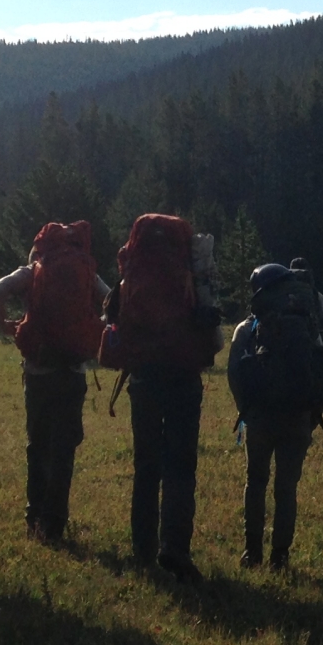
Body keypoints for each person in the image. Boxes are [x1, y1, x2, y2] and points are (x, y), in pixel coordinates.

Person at [101, 214, 222, 580]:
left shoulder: (131, 274)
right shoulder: (189, 270)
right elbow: (213, 336)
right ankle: (175, 549)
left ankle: (142, 548)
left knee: (146, 465)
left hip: (144, 380)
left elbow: (114, 322)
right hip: (184, 378)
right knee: (181, 467)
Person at [0, 221, 109, 544]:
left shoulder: (32, 270)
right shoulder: (86, 270)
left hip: (38, 370)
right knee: (64, 451)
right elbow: (113, 300)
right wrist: (95, 330)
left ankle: (34, 518)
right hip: (72, 371)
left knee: (37, 446)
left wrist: (6, 327)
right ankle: (54, 525)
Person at [226, 260, 323, 569]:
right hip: (299, 417)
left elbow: (234, 373)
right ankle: (280, 556)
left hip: (260, 417)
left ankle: (252, 552)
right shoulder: (307, 324)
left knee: (256, 480)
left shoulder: (248, 328)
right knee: (286, 488)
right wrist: (313, 412)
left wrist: (245, 410)